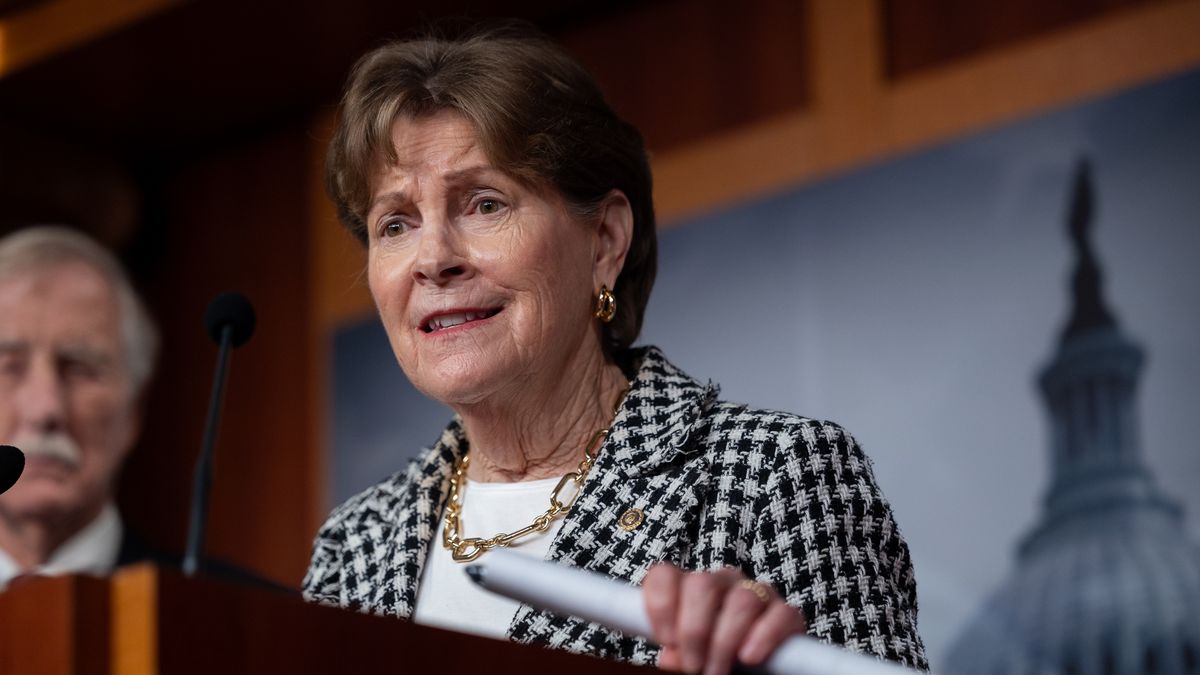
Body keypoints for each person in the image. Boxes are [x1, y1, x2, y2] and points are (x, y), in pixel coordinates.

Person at [304, 22, 928, 673]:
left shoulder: (776, 475)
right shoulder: (354, 546)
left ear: (604, 240)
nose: (433, 258)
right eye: (395, 223)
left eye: (485, 204)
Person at [0, 226, 159, 588]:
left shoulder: (234, 614)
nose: (45, 410)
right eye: (8, 367)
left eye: (81, 370)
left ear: (133, 411)